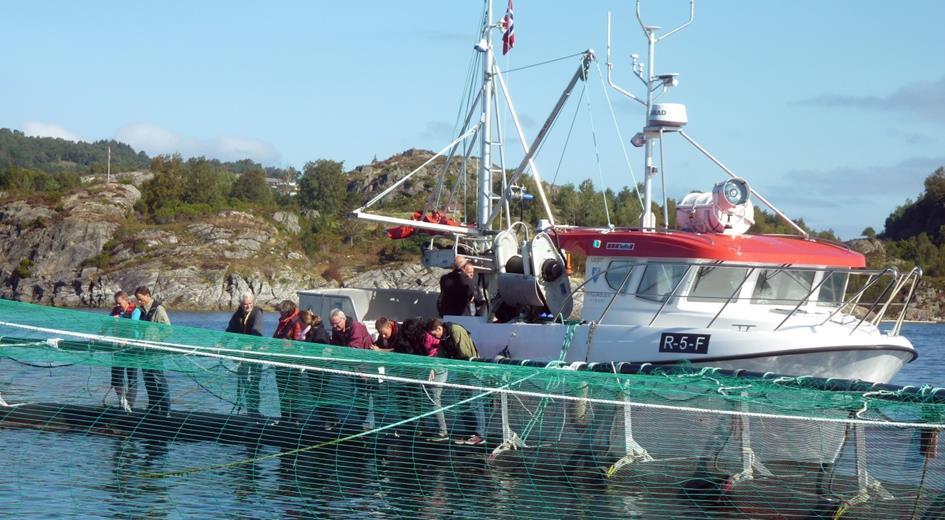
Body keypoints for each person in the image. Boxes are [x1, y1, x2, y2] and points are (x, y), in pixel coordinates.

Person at [426, 318, 486, 446]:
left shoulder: (456, 330)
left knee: (476, 401)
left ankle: (480, 435)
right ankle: (471, 432)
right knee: (464, 402)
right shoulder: (443, 338)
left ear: (439, 329)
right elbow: (441, 355)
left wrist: (456, 363)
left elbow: (466, 354)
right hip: (462, 372)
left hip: (472, 371)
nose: (433, 337)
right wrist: (433, 369)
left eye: (433, 333)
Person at [329, 308, 376, 429]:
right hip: (353, 367)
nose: (334, 326)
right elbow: (335, 346)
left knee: (366, 394)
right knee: (357, 394)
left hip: (366, 366)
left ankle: (368, 424)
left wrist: (338, 354)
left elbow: (354, 348)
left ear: (343, 319)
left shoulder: (356, 327)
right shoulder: (336, 330)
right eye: (332, 324)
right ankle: (361, 422)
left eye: (337, 323)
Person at [133, 286, 172, 417]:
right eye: (138, 300)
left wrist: (154, 340)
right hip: (143, 350)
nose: (139, 302)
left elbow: (168, 329)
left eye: (140, 299)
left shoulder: (159, 309)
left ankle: (166, 409)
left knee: (158, 378)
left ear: (147, 295)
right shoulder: (141, 311)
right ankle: (153, 407)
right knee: (148, 379)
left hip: (155, 350)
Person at [225, 292, 264, 417]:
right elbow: (230, 330)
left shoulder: (257, 314)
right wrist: (222, 343)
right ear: (241, 304)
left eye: (249, 304)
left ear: (253, 303)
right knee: (243, 380)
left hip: (255, 353)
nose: (247, 306)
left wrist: (250, 345)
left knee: (254, 382)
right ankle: (247, 408)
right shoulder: (238, 314)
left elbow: (256, 332)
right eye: (245, 304)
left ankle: (254, 410)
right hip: (241, 354)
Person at [273, 300, 304, 422]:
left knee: (292, 390)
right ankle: (285, 417)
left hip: (291, 362)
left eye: (281, 313)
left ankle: (295, 418)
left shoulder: (296, 322)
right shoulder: (283, 322)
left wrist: (288, 345)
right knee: (282, 391)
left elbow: (299, 342)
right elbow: (276, 337)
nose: (280, 315)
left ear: (287, 312)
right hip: (280, 360)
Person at [110, 290, 140, 414]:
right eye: (116, 304)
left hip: (131, 347)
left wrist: (119, 321)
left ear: (126, 300)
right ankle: (121, 402)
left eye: (119, 303)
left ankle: (130, 405)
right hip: (117, 348)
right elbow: (105, 324)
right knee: (117, 377)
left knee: (132, 377)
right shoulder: (115, 311)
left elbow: (133, 325)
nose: (118, 306)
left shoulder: (135, 311)